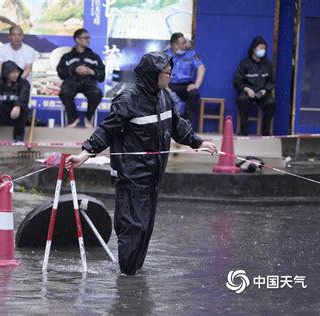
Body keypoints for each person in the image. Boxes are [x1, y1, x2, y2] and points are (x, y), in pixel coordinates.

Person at [65, 52, 217, 275]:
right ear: (153, 73)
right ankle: (127, 277)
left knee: (145, 228)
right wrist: (84, 154)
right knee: (132, 227)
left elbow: (177, 125)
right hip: (130, 175)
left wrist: (198, 142)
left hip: (153, 174)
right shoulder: (128, 99)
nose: (170, 77)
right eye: (167, 72)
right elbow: (107, 130)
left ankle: (132, 273)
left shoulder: (164, 96)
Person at [57, 28, 105, 128]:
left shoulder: (94, 57)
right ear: (77, 39)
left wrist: (92, 72)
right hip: (71, 82)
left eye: (88, 38)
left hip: (89, 83)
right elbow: (61, 72)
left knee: (97, 93)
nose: (88, 40)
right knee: (64, 92)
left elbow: (102, 76)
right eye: (85, 38)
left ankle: (88, 118)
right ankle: (73, 118)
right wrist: (74, 70)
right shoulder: (67, 56)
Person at [233, 36, 276, 136]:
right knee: (241, 100)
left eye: (264, 48)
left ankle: (265, 132)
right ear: (254, 48)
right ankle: (244, 131)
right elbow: (237, 80)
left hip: (263, 93)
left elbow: (272, 81)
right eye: (261, 48)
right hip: (249, 92)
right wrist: (246, 89)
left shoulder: (267, 64)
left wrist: (265, 90)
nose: (263, 50)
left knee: (271, 103)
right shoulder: (245, 63)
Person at [165, 32, 206, 122]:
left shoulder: (191, 54)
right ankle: (168, 122)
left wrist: (196, 84)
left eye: (185, 42)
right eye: (182, 43)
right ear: (174, 45)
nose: (185, 45)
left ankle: (186, 121)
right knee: (162, 95)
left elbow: (201, 68)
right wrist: (166, 87)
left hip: (186, 85)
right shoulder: (165, 55)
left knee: (194, 94)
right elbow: (160, 72)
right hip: (170, 85)